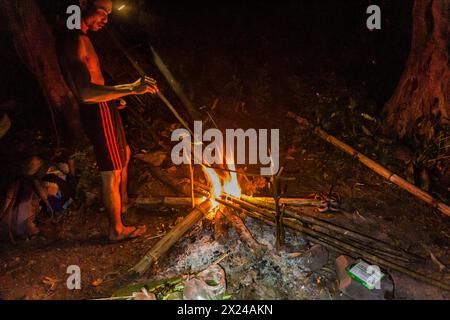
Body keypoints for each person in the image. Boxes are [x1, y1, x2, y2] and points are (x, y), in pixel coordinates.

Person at [59, 0, 158, 242]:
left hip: (105, 106)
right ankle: (116, 229)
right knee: (111, 170)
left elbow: (97, 82)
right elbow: (85, 91)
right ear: (83, 4)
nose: (106, 19)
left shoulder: (82, 38)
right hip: (96, 110)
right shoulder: (73, 40)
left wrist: (115, 98)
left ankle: (122, 204)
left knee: (123, 154)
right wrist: (132, 88)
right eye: (102, 11)